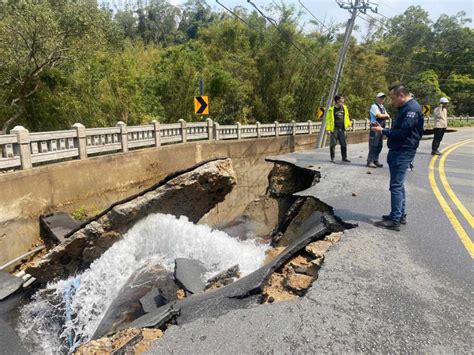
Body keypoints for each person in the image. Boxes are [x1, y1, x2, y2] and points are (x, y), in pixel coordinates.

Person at [371, 85, 424, 231]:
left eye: (394, 98)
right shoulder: (406, 108)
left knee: (395, 186)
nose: (392, 102)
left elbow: (402, 133)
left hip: (403, 150)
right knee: (398, 185)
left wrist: (383, 131)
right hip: (399, 149)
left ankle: (395, 220)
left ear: (401, 95)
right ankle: (399, 215)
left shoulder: (411, 109)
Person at [367, 92, 390, 168]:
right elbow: (378, 115)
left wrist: (385, 116)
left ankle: (375, 160)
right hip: (375, 127)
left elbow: (388, 116)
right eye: (380, 98)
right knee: (373, 145)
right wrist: (385, 116)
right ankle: (370, 161)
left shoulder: (382, 107)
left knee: (379, 145)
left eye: (383, 98)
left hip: (381, 128)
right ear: (377, 98)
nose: (382, 99)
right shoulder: (374, 106)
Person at [326, 94, 351, 163]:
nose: (342, 102)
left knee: (343, 144)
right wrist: (328, 129)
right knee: (333, 144)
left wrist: (349, 124)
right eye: (341, 100)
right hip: (334, 129)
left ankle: (344, 157)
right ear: (337, 101)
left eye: (343, 101)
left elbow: (347, 117)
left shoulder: (344, 108)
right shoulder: (331, 109)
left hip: (342, 129)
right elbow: (328, 120)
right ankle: (332, 158)